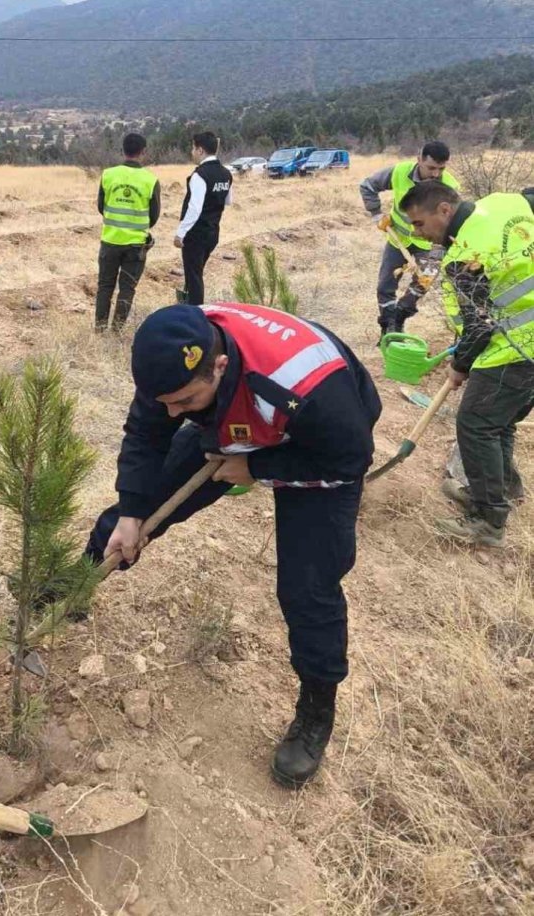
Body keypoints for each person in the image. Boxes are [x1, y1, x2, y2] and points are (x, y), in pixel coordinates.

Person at [82, 302, 381, 788]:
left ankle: (315, 711)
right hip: (240, 416)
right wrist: (135, 509)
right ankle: (68, 588)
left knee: (308, 589)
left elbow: (350, 461)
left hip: (320, 446)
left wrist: (259, 468)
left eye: (183, 402)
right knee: (132, 511)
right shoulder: (170, 356)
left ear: (218, 365)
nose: (173, 414)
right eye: (166, 404)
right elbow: (146, 432)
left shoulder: (307, 389)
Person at [402, 180, 534, 548]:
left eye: (419, 224)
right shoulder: (505, 203)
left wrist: (459, 365)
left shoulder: (467, 254)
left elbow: (478, 325)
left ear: (444, 210)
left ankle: (488, 521)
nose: (419, 234)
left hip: (516, 350)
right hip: (525, 344)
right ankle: (500, 490)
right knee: (499, 422)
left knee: (476, 425)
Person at [359, 141, 460, 337]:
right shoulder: (399, 172)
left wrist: (442, 251)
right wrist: (377, 214)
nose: (435, 174)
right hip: (399, 240)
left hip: (432, 245)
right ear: (419, 160)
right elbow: (368, 185)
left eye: (441, 169)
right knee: (385, 286)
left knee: (422, 284)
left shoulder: (450, 187)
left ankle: (399, 318)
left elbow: (454, 224)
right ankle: (388, 330)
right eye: (431, 168)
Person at [95, 133, 161, 332]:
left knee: (105, 286)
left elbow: (101, 206)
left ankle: (99, 329)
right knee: (127, 288)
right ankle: (116, 330)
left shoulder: (108, 175)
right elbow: (154, 216)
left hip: (110, 240)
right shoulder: (151, 180)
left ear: (122, 151)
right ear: (143, 152)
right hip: (136, 245)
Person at [174, 132, 233, 305]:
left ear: (200, 150)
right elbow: (228, 200)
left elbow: (194, 208)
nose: (191, 152)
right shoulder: (226, 174)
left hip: (196, 235)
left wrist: (180, 233)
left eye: (193, 148)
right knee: (195, 274)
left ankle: (195, 314)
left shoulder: (199, 175)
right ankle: (189, 305)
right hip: (213, 232)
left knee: (194, 278)